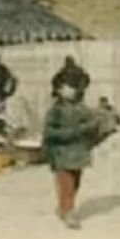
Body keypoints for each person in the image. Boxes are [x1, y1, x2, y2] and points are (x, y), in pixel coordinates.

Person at [43, 82, 101, 229]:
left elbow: (92, 124)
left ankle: (63, 207)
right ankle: (69, 212)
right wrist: (71, 132)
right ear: (60, 91)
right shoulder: (56, 110)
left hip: (78, 151)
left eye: (72, 87)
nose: (71, 91)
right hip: (61, 151)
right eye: (67, 88)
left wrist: (93, 126)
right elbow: (49, 132)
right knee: (66, 183)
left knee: (76, 182)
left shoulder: (82, 108)